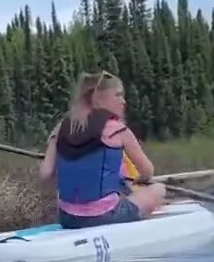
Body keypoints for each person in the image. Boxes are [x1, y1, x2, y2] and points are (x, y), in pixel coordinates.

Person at [39, 71, 166, 229]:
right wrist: (141, 180)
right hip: (106, 216)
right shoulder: (117, 130)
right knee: (158, 189)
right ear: (100, 98)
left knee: (119, 190)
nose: (123, 101)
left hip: (67, 218)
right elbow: (148, 170)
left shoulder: (62, 127)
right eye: (118, 95)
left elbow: (45, 174)